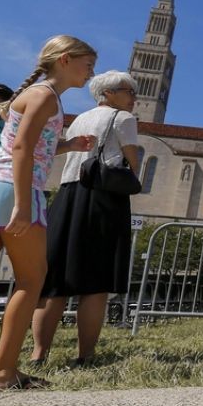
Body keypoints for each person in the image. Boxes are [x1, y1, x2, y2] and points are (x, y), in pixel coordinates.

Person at [0, 35, 97, 389]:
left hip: (3, 186)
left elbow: (28, 147)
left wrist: (68, 145)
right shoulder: (45, 96)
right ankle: (4, 371)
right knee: (30, 281)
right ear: (66, 60)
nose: (90, 73)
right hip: (18, 192)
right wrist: (24, 206)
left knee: (29, 280)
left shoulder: (38, 94)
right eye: (88, 65)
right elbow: (23, 148)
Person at [31, 71, 140, 366]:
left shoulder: (79, 119)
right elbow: (133, 161)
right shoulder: (123, 119)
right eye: (128, 91)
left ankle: (38, 354)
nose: (133, 98)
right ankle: (85, 356)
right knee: (95, 281)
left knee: (55, 281)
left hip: (67, 196)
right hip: (103, 197)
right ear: (108, 93)